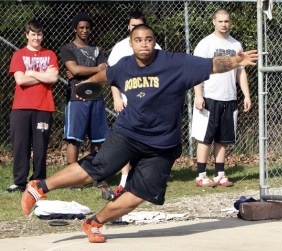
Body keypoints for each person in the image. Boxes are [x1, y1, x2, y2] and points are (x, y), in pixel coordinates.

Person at [21, 24, 258, 243]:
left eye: (148, 39)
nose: (144, 44)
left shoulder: (175, 63)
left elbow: (213, 65)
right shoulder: (124, 65)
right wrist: (88, 83)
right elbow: (108, 75)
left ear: (154, 42)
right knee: (96, 169)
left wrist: (236, 61)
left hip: (163, 145)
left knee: (137, 195)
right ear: (131, 44)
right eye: (138, 40)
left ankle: (93, 223)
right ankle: (39, 187)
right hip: (128, 133)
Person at [191, 9, 252, 188]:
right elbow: (196, 71)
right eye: (220, 21)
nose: (224, 24)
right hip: (210, 96)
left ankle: (220, 174)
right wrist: (198, 94)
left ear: (230, 22)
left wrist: (246, 95)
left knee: (223, 139)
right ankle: (201, 174)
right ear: (214, 22)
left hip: (229, 97)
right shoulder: (205, 44)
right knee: (205, 137)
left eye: (226, 21)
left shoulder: (236, 45)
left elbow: (241, 71)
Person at [107, 10, 162, 193]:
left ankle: (143, 179)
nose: (136, 29)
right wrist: (116, 98)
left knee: (149, 143)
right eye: (133, 26)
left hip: (151, 106)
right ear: (128, 27)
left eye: (139, 25)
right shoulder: (120, 48)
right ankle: (124, 181)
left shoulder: (156, 48)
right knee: (127, 143)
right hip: (127, 104)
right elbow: (112, 77)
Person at [6, 19, 59, 193]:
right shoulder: (19, 55)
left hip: (43, 106)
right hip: (21, 107)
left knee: (40, 146)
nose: (36, 38)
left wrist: (32, 73)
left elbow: (53, 78)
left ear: (42, 35)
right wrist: (43, 75)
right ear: (27, 35)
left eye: (39, 34)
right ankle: (19, 182)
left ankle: (38, 181)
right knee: (20, 144)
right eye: (33, 34)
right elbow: (20, 79)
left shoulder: (50, 54)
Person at [60, 13, 109, 166]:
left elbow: (105, 72)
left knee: (99, 139)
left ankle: (96, 175)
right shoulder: (68, 48)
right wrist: (97, 69)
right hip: (76, 98)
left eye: (87, 28)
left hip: (96, 97)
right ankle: (71, 177)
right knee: (74, 139)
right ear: (75, 29)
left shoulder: (97, 50)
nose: (84, 30)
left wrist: (82, 71)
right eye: (81, 27)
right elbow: (74, 70)